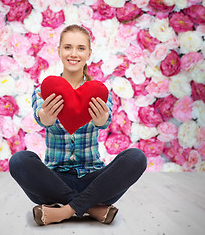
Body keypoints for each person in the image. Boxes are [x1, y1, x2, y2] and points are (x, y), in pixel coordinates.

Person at [9, 24, 147, 226]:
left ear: (89, 53)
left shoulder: (99, 91)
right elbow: (41, 117)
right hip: (54, 181)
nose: (74, 54)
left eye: (80, 48)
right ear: (59, 51)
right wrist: (46, 117)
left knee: (137, 157)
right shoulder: (43, 90)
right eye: (68, 47)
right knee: (19, 160)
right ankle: (91, 208)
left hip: (95, 180)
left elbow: (105, 121)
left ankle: (63, 211)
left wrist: (101, 120)